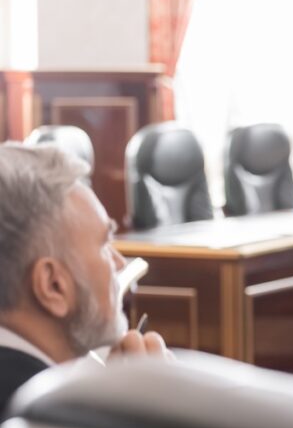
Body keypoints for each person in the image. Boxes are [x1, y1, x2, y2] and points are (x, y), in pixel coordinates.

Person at [0, 144, 170, 413]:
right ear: (53, 286)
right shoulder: (56, 416)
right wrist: (150, 414)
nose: (119, 262)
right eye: (104, 244)